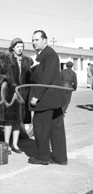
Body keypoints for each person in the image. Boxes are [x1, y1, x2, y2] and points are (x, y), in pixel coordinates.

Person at [28, 30, 67, 165]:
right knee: (56, 129)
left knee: (40, 127)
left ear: (45, 40)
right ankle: (60, 158)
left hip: (46, 99)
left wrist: (36, 96)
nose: (34, 43)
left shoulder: (49, 54)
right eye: (32, 40)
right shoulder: (43, 54)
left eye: (36, 40)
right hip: (53, 99)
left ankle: (43, 156)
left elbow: (47, 77)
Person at [0, 38, 33, 154]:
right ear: (12, 47)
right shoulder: (4, 58)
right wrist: (7, 82)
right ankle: (6, 145)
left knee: (18, 120)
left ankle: (15, 145)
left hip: (22, 94)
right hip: (9, 94)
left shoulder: (28, 60)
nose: (20, 49)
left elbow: (31, 76)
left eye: (22, 46)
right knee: (8, 121)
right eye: (18, 46)